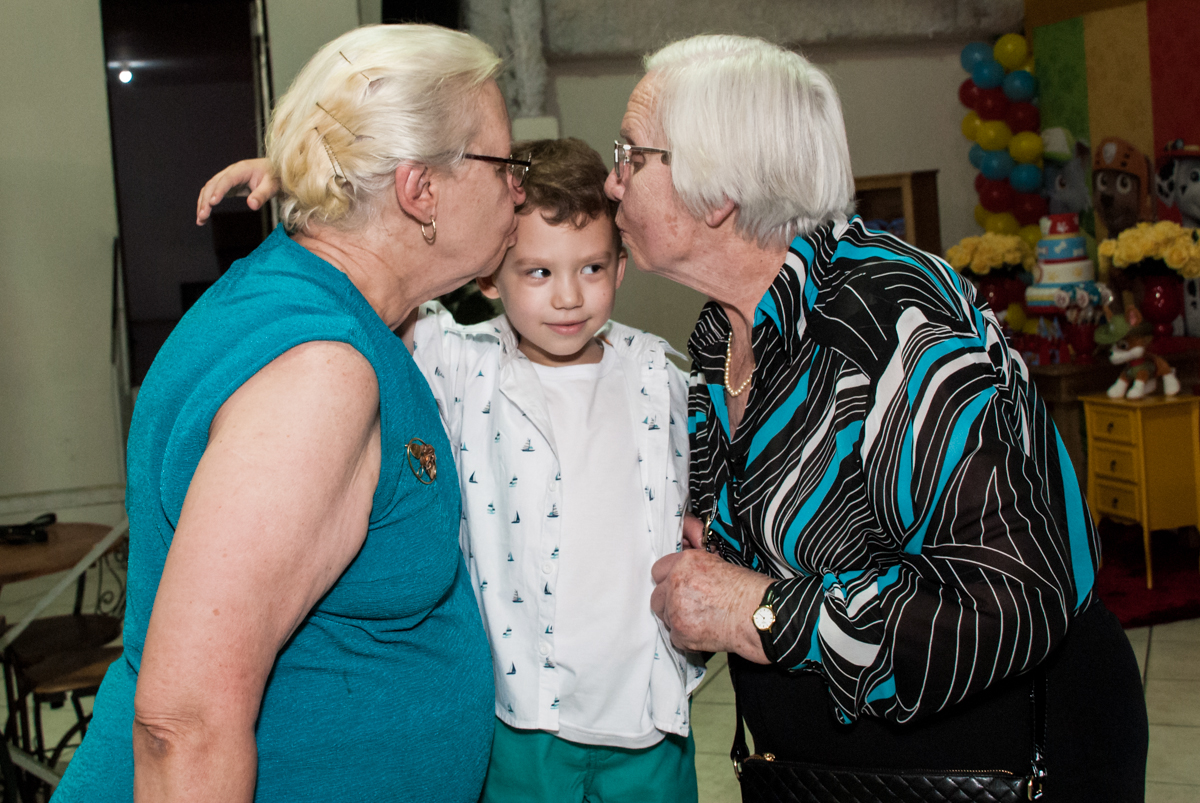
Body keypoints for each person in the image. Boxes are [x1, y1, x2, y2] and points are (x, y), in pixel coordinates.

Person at [607, 35, 1148, 801]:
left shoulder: (891, 311)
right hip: (835, 769)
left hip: (998, 761)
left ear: (714, 188)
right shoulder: (719, 333)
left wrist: (753, 609)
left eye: (631, 154)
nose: (610, 179)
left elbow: (1008, 596)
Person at [54, 24, 523, 802]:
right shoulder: (320, 376)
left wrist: (328, 174)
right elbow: (184, 725)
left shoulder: (321, 295)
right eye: (507, 165)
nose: (518, 189)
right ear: (421, 190)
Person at [198, 138, 705, 803]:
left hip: (646, 718)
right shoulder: (462, 363)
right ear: (489, 275)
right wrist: (311, 184)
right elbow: (362, 277)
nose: (569, 297)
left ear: (620, 266)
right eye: (538, 273)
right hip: (519, 721)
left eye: (591, 268)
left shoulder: (658, 375)